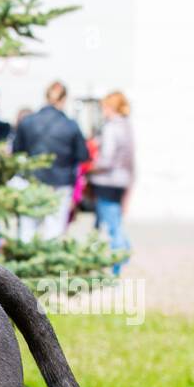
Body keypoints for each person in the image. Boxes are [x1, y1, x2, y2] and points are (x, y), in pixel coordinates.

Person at [13, 81, 90, 241]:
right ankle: (53, 266)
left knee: (27, 229)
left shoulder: (28, 122)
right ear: (64, 99)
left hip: (31, 181)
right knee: (54, 231)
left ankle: (25, 264)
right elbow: (83, 156)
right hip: (60, 185)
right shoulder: (70, 125)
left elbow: (16, 152)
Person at [88, 91, 134, 275]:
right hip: (121, 181)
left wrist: (90, 169)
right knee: (114, 221)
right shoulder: (126, 126)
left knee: (112, 226)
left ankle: (118, 262)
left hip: (106, 181)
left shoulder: (110, 128)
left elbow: (106, 160)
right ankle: (120, 254)